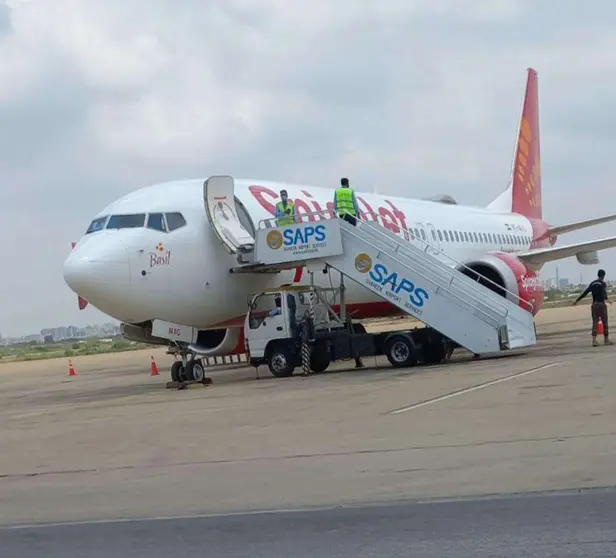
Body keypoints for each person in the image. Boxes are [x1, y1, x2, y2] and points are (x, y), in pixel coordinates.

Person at [573, 269, 613, 346]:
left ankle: (594, 341)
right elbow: (603, 294)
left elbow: (585, 293)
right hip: (601, 304)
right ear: (603, 275)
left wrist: (577, 300)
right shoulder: (602, 283)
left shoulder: (592, 283)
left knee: (595, 322)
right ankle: (606, 340)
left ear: (598, 275)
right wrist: (608, 299)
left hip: (594, 305)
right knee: (605, 322)